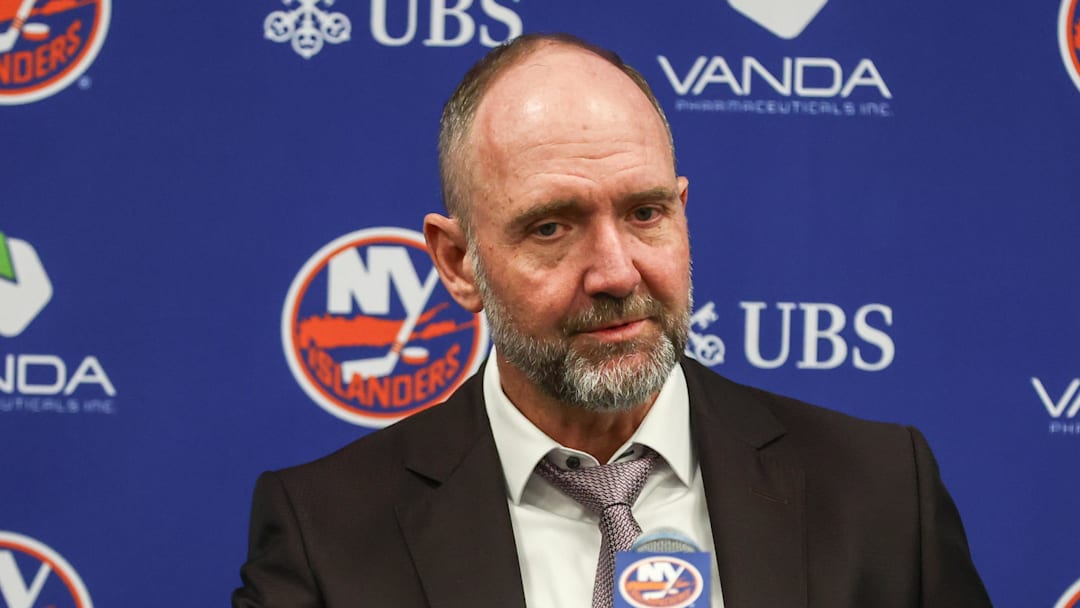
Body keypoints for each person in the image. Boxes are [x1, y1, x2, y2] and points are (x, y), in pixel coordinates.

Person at [233, 33, 992, 607]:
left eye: (645, 213)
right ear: (459, 263)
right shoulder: (322, 534)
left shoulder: (883, 493)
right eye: (552, 228)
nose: (617, 272)